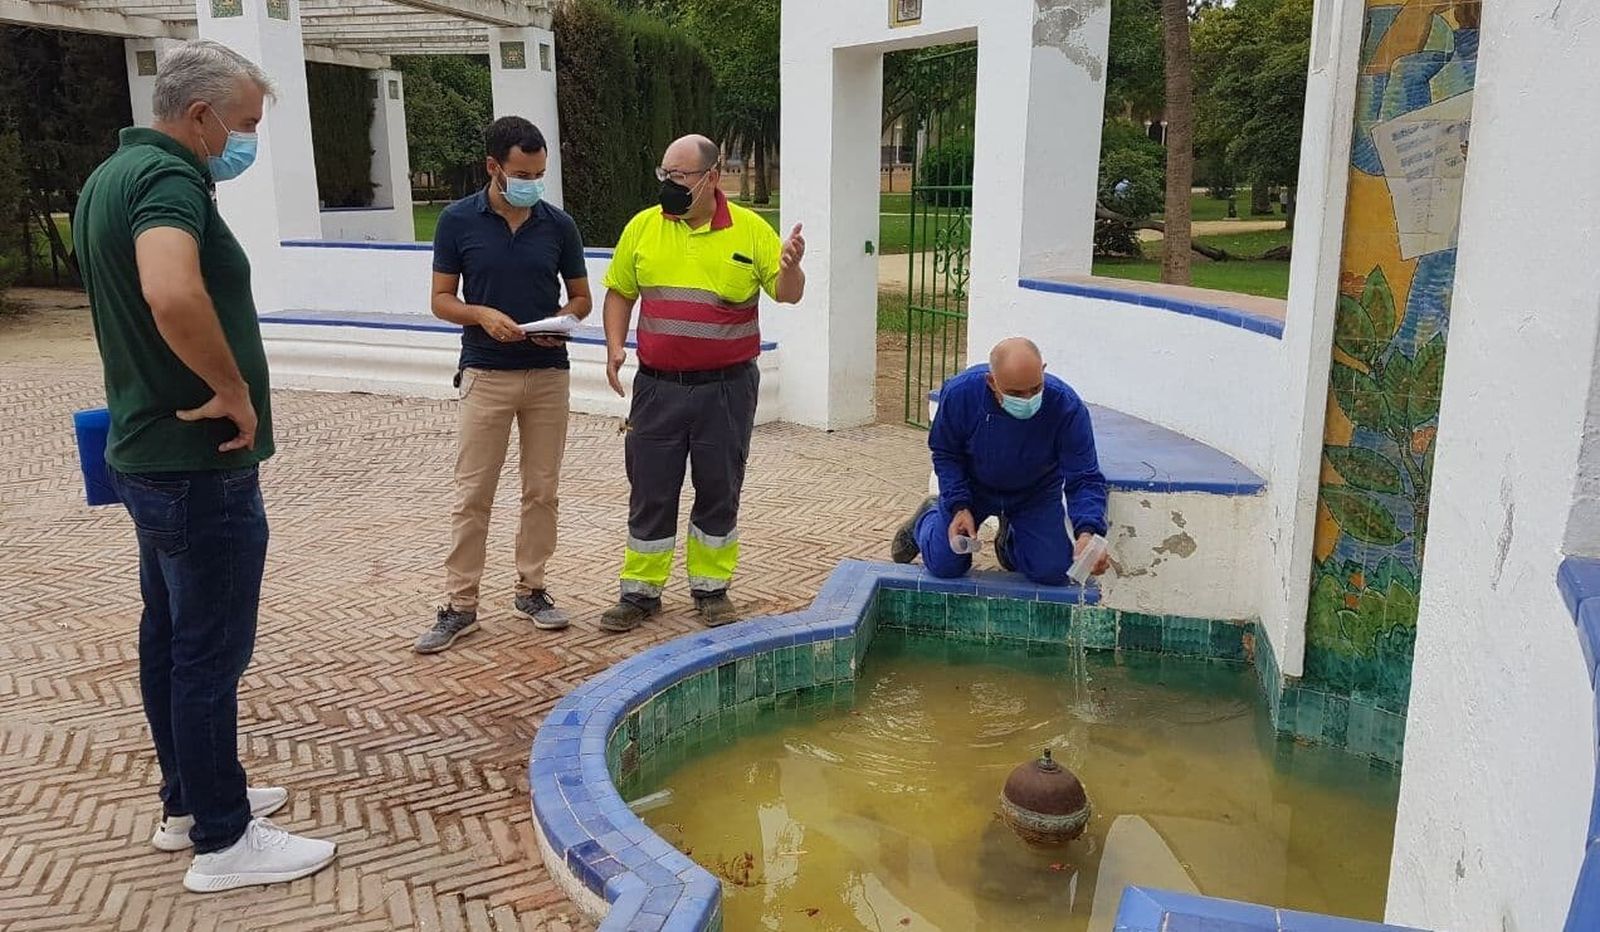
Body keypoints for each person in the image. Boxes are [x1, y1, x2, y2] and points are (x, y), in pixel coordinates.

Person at [72, 39, 336, 893]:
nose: (246, 139)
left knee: (171, 638)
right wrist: (233, 390)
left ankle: (189, 800)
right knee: (209, 653)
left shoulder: (108, 176)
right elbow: (171, 289)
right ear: (201, 115)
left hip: (149, 452)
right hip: (198, 459)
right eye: (246, 123)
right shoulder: (171, 180)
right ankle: (225, 841)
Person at [598, 134, 807, 632]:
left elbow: (788, 295)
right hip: (657, 388)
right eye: (664, 174)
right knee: (650, 487)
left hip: (727, 390)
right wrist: (613, 345)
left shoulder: (751, 232)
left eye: (679, 176)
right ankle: (640, 593)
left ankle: (711, 589)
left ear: (712, 177)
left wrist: (792, 267)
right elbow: (619, 292)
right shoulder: (644, 228)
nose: (668, 184)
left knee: (719, 485)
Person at [414, 117, 592, 654]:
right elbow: (441, 299)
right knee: (473, 493)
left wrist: (562, 319)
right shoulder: (456, 221)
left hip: (546, 373)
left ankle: (532, 589)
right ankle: (460, 604)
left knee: (542, 491)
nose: (531, 182)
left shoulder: (558, 225)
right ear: (493, 167)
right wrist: (481, 314)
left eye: (539, 173)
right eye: (521, 172)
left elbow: (581, 298)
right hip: (485, 373)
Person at [890, 338, 1112, 585]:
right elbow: (946, 453)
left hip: (1034, 494)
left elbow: (1084, 476)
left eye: (1036, 389)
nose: (1028, 399)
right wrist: (958, 505)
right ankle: (926, 520)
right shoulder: (961, 394)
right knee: (946, 565)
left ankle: (1010, 541)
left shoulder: (1067, 407)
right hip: (973, 489)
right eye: (1016, 393)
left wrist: (1088, 532)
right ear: (992, 382)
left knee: (1052, 571)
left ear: (1044, 370)